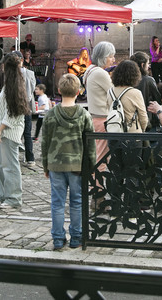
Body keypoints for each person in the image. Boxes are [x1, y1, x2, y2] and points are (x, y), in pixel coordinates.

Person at [41, 74, 94, 251]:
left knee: (57, 202)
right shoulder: (84, 115)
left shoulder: (50, 114)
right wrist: (91, 165)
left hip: (56, 163)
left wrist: (45, 165)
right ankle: (76, 237)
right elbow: (90, 143)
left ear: (58, 91)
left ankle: (57, 238)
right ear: (79, 92)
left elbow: (45, 142)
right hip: (77, 165)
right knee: (77, 201)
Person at [0, 52, 30, 210]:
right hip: (4, 131)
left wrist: (0, 130)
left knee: (10, 167)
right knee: (1, 166)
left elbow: (14, 112)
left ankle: (13, 197)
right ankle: (2, 195)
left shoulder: (13, 85)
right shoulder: (10, 84)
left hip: (9, 132)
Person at [83, 41, 115, 162]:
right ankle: (97, 181)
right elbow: (113, 93)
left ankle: (95, 180)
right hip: (102, 119)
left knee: (98, 154)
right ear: (103, 57)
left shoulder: (91, 70)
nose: (113, 59)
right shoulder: (100, 73)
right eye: (111, 56)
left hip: (95, 117)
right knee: (102, 158)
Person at [109, 59, 148, 133]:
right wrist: (142, 129)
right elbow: (143, 118)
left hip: (114, 132)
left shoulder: (110, 92)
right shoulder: (136, 93)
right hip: (133, 133)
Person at [130, 52, 162, 132]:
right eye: (148, 63)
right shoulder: (148, 80)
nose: (149, 66)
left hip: (131, 120)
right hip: (148, 119)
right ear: (142, 65)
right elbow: (158, 100)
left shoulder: (127, 80)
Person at [18, 52, 38, 169]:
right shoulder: (30, 74)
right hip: (27, 104)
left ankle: (17, 156)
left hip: (18, 105)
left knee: (17, 131)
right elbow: (32, 90)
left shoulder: (12, 74)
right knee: (27, 133)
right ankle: (30, 158)